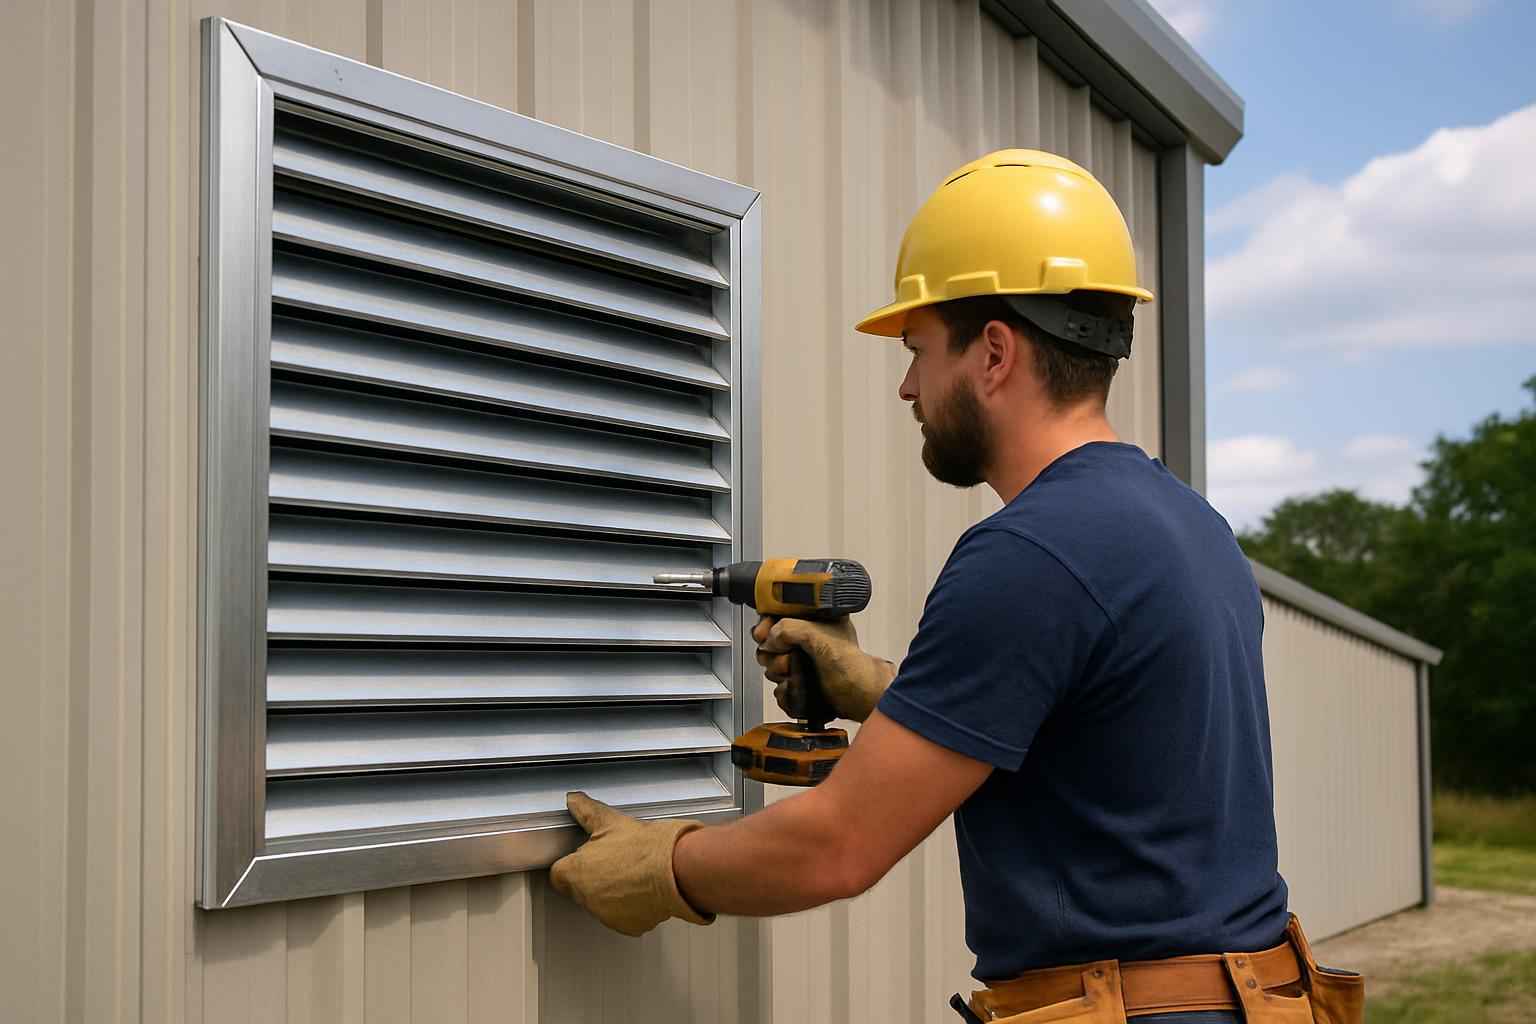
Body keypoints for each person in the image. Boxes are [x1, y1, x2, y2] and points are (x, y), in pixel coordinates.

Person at [551, 151, 1353, 1023]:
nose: (906, 386)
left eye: (918, 351)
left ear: (995, 353)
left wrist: (662, 866)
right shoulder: (1190, 526)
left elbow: (840, 845)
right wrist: (885, 693)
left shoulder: (1029, 552)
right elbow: (1097, 743)